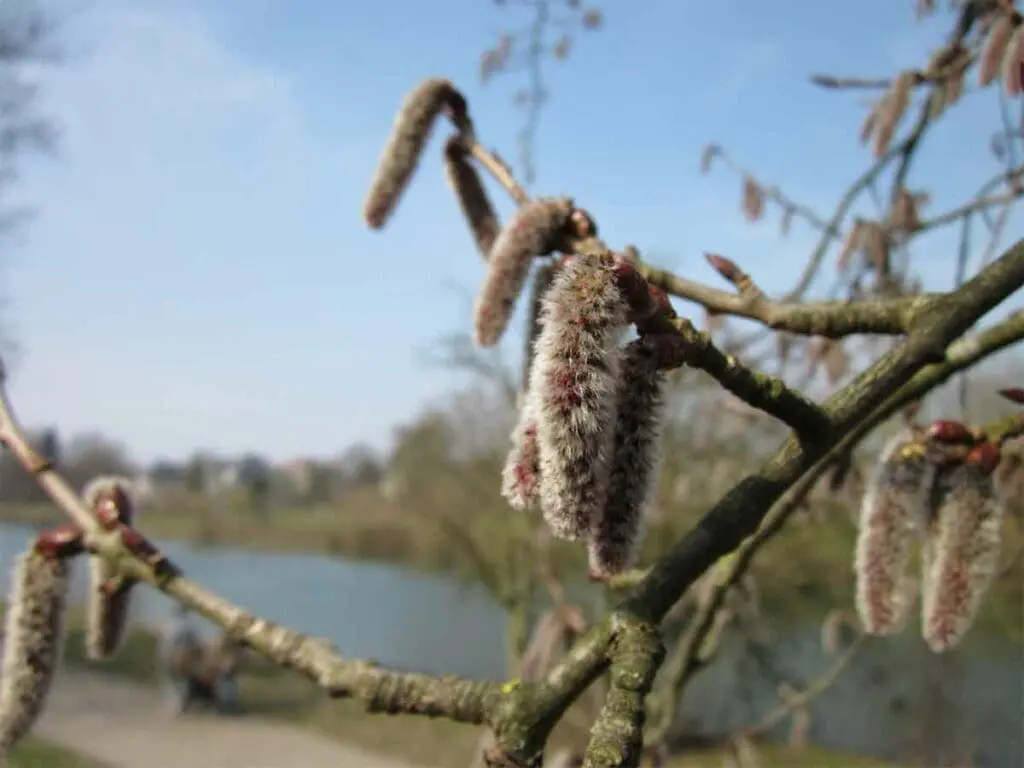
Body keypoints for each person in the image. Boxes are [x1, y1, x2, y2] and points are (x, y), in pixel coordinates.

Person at [156, 604, 203, 715]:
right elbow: (194, 643)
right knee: (181, 682)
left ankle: (175, 705)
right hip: (180, 656)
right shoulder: (186, 626)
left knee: (170, 681)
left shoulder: (169, 624)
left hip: (167, 655)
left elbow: (163, 642)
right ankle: (178, 706)